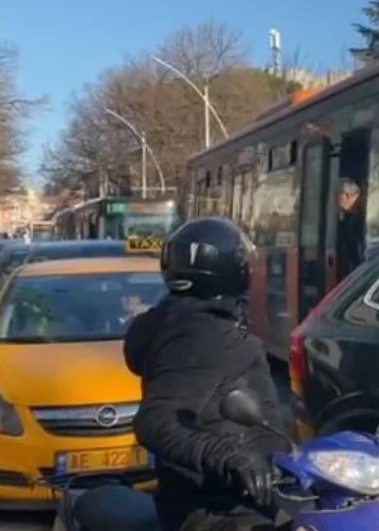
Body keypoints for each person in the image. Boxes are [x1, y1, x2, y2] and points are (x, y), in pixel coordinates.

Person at [124, 217, 289, 531]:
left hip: (245, 495)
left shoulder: (177, 322)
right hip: (219, 507)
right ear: (231, 271)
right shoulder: (202, 336)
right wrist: (228, 456)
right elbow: (155, 420)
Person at [334, 178, 365, 279]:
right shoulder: (349, 216)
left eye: (336, 197)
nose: (335, 202)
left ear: (345, 195)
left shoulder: (363, 217)